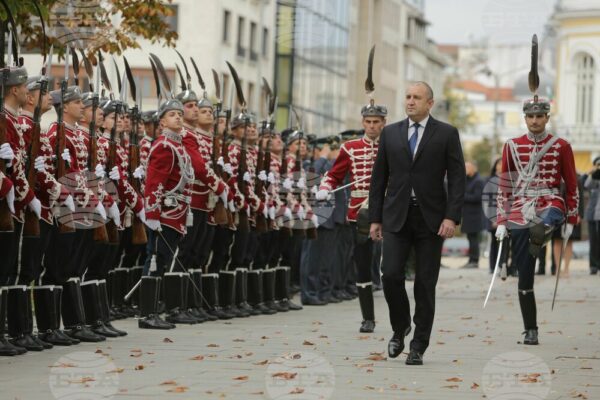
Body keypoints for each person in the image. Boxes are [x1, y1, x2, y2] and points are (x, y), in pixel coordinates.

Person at [369, 81, 465, 365]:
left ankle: (419, 344)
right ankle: (400, 328)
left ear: (430, 103)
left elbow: (458, 178)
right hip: (396, 216)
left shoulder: (446, 133)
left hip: (431, 220)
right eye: (407, 96)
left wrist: (451, 216)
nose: (410, 101)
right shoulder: (390, 133)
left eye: (416, 97)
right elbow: (379, 179)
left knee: (424, 283)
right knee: (391, 275)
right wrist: (375, 218)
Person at [495, 96, 578, 345]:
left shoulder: (561, 146)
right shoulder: (511, 145)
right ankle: (530, 329)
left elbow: (571, 185)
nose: (534, 120)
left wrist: (572, 219)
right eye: (530, 116)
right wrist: (501, 220)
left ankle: (541, 233)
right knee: (525, 273)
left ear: (547, 118)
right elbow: (504, 185)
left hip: (551, 202)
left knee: (543, 224)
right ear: (525, 118)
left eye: (539, 116)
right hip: (521, 207)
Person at [317, 103, 387, 333]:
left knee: (391, 266)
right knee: (362, 265)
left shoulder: (393, 146)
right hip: (359, 214)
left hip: (388, 212)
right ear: (362, 123)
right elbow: (335, 174)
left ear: (383, 123)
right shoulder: (350, 147)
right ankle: (368, 318)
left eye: (376, 122)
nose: (372, 126)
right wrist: (325, 186)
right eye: (368, 122)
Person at [461, 161, 485, 268]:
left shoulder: (478, 181)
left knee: (474, 238)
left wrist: (462, 196)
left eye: (467, 167)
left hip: (475, 216)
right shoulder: (467, 180)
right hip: (467, 215)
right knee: (470, 238)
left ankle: (474, 261)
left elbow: (477, 197)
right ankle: (471, 259)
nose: (465, 169)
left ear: (474, 168)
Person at [584, 157, 600, 275]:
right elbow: (586, 185)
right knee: (593, 241)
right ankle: (593, 266)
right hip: (592, 214)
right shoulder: (594, 177)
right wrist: (592, 172)